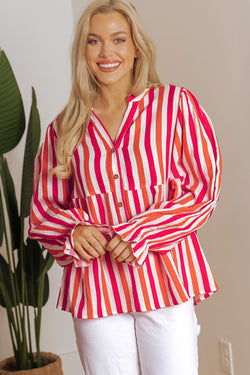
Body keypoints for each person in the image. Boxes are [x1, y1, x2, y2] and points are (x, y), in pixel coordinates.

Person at [29, 0, 222, 374]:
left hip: (164, 284)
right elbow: (43, 210)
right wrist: (74, 230)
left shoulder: (175, 107)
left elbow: (202, 191)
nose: (107, 52)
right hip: (96, 291)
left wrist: (141, 232)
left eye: (118, 39)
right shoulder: (64, 128)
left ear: (136, 47)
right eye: (93, 41)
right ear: (82, 52)